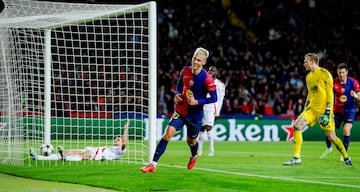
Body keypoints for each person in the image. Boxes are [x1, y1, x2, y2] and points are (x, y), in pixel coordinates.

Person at [140, 47, 217, 173]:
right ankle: (152, 164)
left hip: (195, 116)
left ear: (203, 62)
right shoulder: (186, 71)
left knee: (191, 142)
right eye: (194, 58)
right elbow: (180, 84)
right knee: (167, 134)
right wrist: (177, 93)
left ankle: (194, 155)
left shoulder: (206, 79)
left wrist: (198, 102)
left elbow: (214, 98)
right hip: (181, 110)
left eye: (198, 60)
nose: (195, 62)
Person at [283, 53, 352, 167]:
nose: (304, 63)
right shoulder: (308, 76)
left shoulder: (325, 73)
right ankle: (296, 157)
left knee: (332, 137)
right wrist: (305, 109)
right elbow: (310, 95)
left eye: (306, 61)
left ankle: (346, 157)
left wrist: (328, 111)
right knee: (297, 126)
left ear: (313, 61)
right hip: (312, 109)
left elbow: (330, 94)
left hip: (324, 110)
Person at [30, 119, 129, 161]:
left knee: (82, 155)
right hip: (94, 149)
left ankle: (67, 159)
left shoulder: (121, 150)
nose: (116, 141)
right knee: (67, 152)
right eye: (116, 139)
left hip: (98, 154)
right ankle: (38, 157)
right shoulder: (110, 147)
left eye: (118, 140)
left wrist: (126, 128)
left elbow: (125, 143)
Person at [320, 63, 360, 160]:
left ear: (346, 72)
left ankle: (344, 154)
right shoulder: (334, 83)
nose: (341, 74)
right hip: (337, 111)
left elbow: (359, 98)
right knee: (328, 132)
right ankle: (329, 148)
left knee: (346, 131)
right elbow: (327, 96)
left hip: (349, 110)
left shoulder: (354, 82)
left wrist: (355, 96)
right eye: (339, 72)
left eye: (343, 72)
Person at [198, 66, 225, 156]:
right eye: (209, 70)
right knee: (201, 130)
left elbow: (220, 99)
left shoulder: (220, 84)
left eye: (213, 71)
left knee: (208, 128)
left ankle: (211, 150)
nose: (210, 72)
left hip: (211, 108)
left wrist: (217, 111)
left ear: (216, 73)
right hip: (202, 107)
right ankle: (199, 151)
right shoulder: (203, 81)